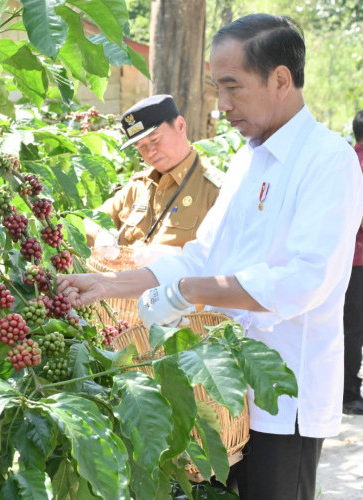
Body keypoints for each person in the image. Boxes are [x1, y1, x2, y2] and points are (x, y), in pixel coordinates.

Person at [60, 14, 363, 500]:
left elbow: (304, 281)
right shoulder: (249, 157)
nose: (221, 106)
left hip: (283, 399)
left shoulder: (327, 160)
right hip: (222, 389)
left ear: (280, 79)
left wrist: (185, 293)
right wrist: (112, 284)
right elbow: (204, 253)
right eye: (216, 88)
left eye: (232, 88)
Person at [85, 94, 223, 266]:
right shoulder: (139, 187)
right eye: (141, 146)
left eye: (155, 139)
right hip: (124, 290)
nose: (150, 152)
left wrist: (179, 257)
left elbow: (228, 258)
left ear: (180, 126)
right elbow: (92, 220)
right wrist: (101, 235)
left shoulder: (216, 191)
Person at [343, 110, 363, 415]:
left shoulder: (348, 160)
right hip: (359, 259)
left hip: (350, 258)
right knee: (354, 328)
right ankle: (348, 393)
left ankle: (347, 390)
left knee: (350, 326)